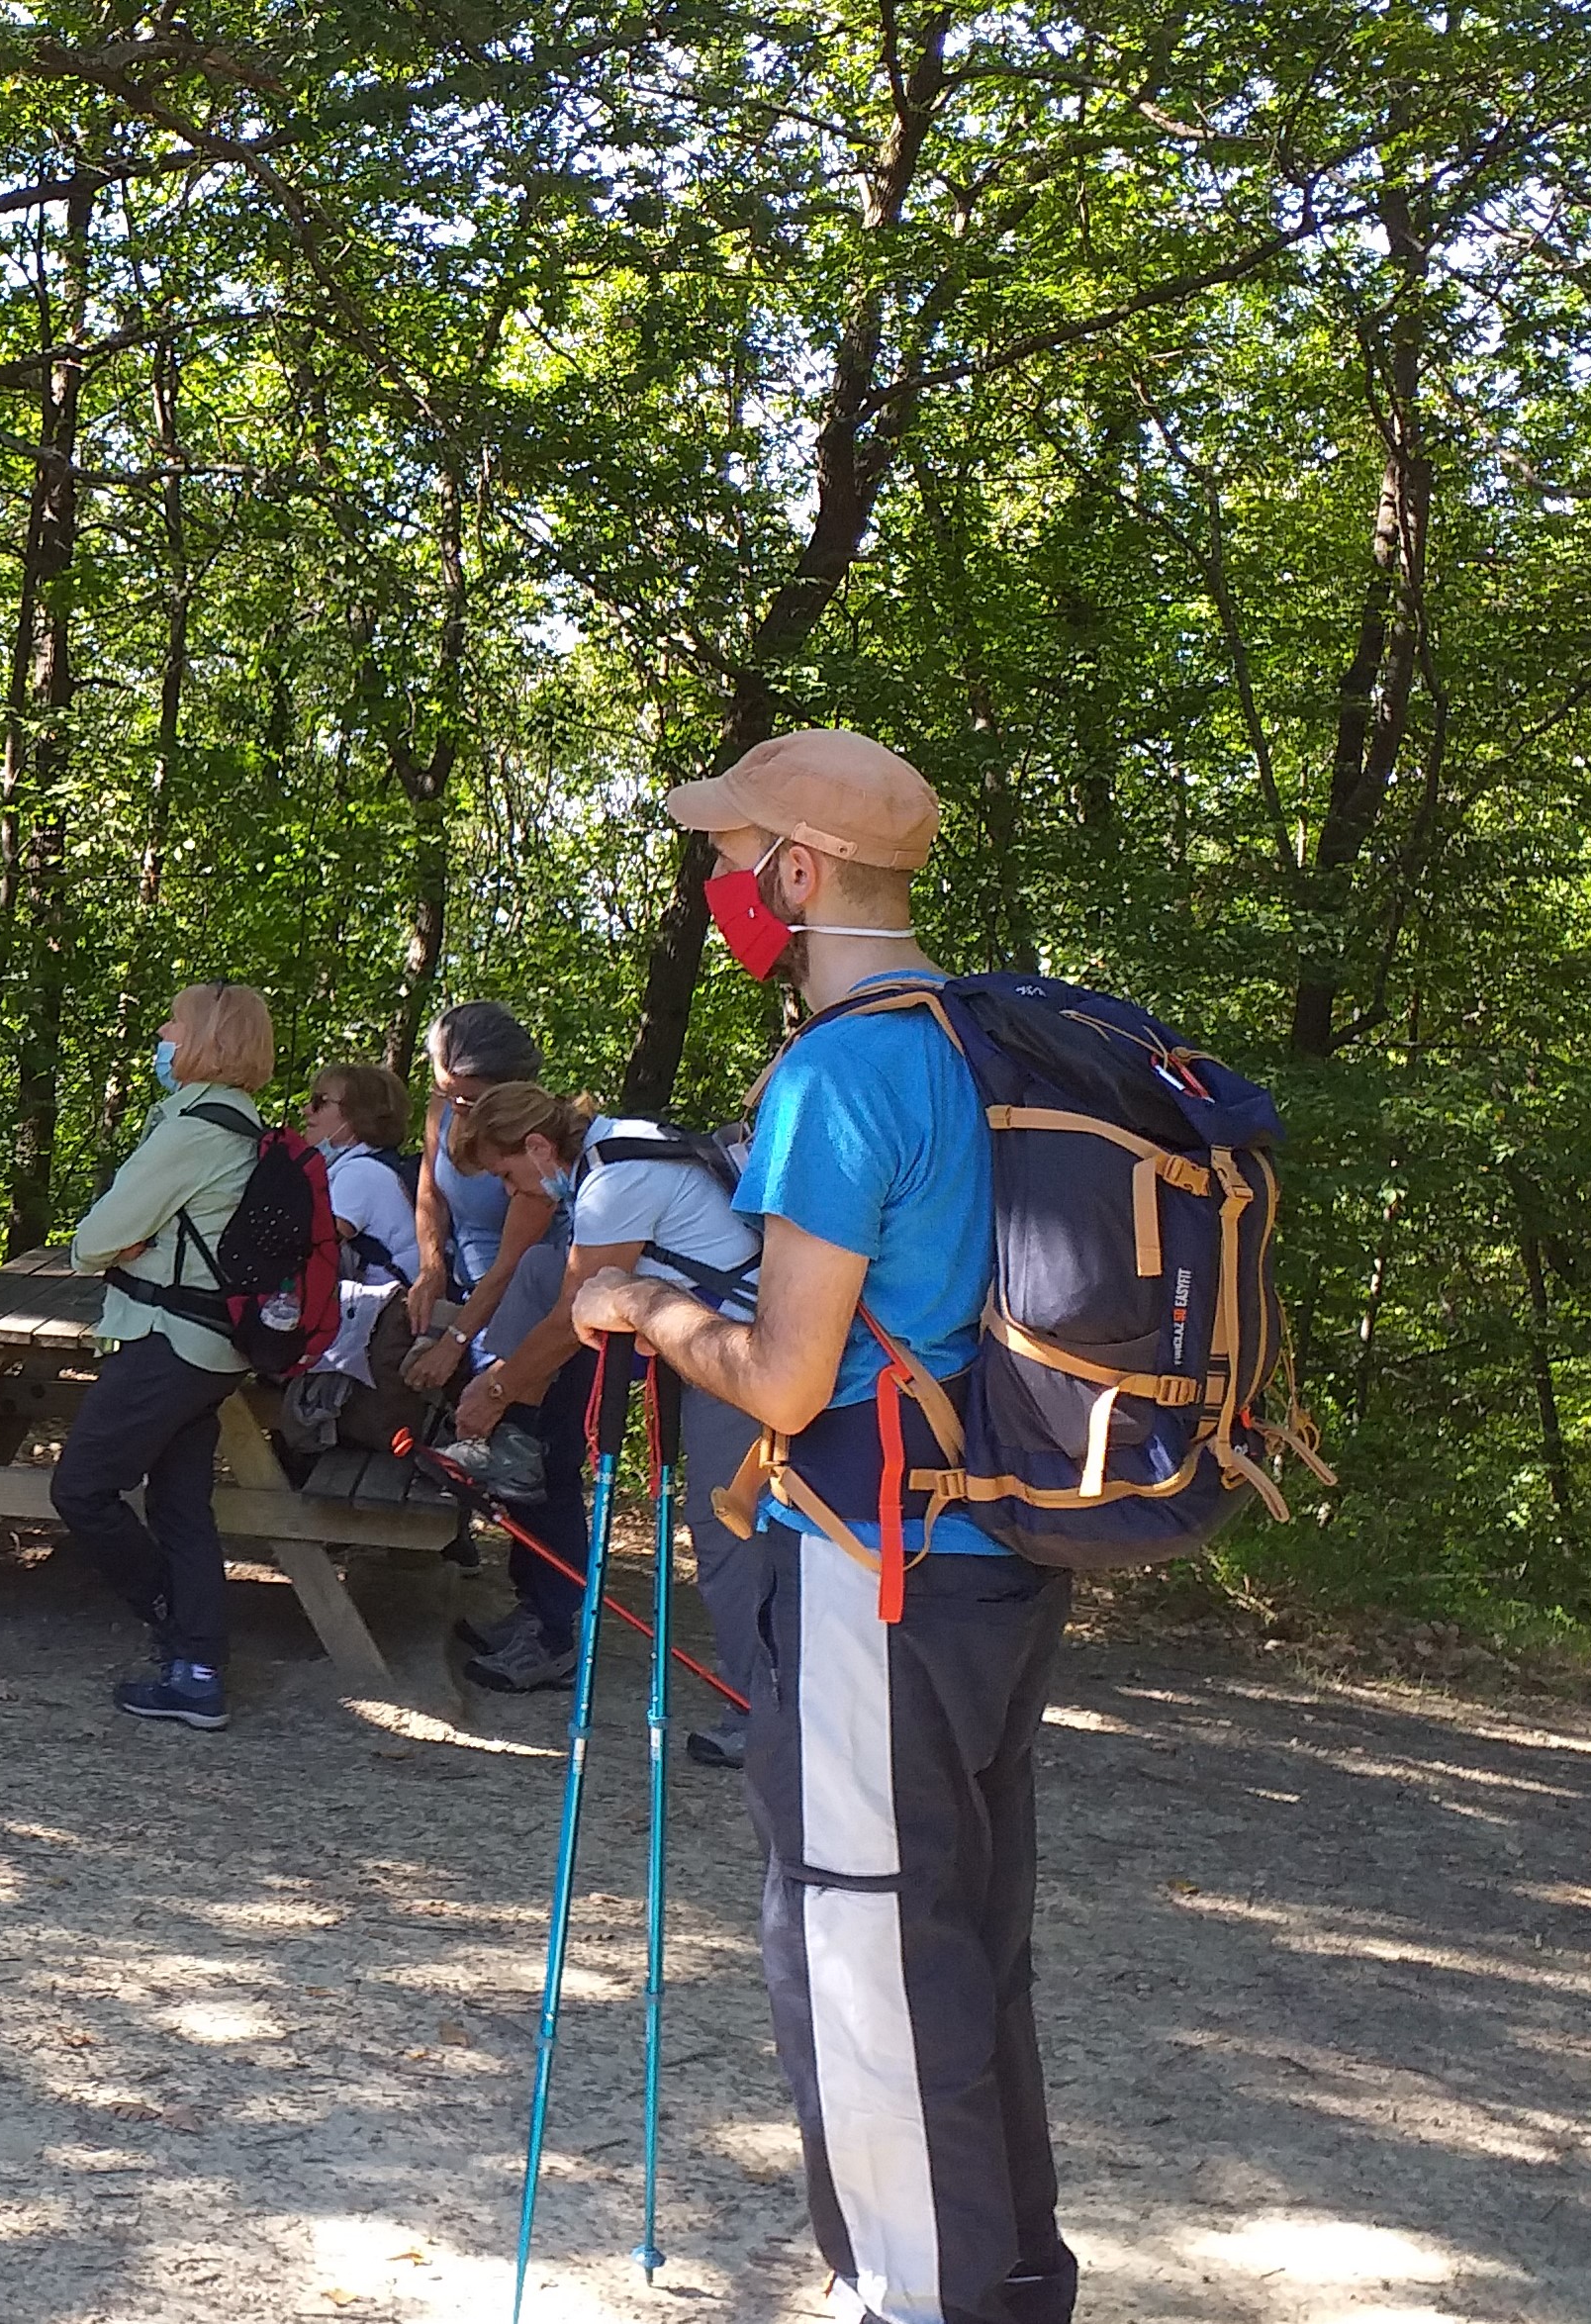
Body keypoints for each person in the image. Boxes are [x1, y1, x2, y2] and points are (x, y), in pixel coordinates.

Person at [571, 728, 1072, 2324]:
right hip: (993, 1560)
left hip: (875, 1567)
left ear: (796, 871)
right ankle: (1006, 2282)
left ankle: (916, 2295)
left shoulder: (839, 1069)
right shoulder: (976, 1039)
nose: (722, 887)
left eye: (735, 858)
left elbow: (785, 1376)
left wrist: (644, 1303)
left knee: (866, 1951)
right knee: (967, 1948)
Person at [435, 1084, 769, 1752]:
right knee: (535, 1267)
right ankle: (522, 1444)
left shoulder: (611, 1182)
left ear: (536, 1145)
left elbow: (573, 1316)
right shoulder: (612, 1146)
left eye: (506, 1174)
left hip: (740, 1349)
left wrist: (492, 1391)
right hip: (713, 1338)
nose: (509, 1191)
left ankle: (760, 1718)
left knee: (724, 1533)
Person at [53, 981, 278, 1730]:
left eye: (174, 1023)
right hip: (212, 1345)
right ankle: (198, 1670)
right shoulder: (243, 1125)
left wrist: (115, 1239)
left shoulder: (191, 1132)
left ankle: (178, 1627)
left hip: (166, 1340)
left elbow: (91, 1240)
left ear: (208, 1038)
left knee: (82, 1488)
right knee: (181, 1506)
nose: (161, 1032)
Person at [399, 1001, 561, 1410]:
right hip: (461, 1290)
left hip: (522, 1314)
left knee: (514, 1445)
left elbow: (511, 1265)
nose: (455, 1106)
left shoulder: (534, 1144)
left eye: (470, 1098)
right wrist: (431, 1268)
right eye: (444, 1090)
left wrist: (455, 1342)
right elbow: (430, 1191)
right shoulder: (445, 1105)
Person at [293, 1060, 423, 1441]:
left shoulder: (359, 1174)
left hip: (381, 1330)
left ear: (355, 1117)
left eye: (319, 1102)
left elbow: (308, 1245)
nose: (306, 1110)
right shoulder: (362, 1167)